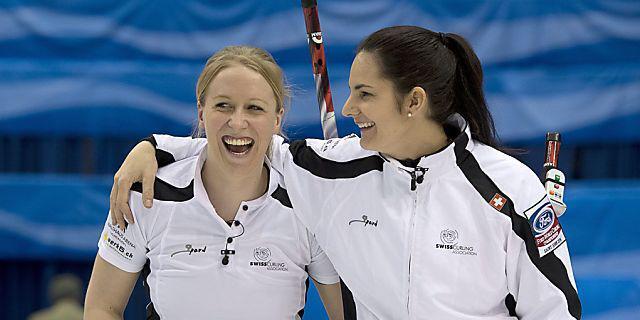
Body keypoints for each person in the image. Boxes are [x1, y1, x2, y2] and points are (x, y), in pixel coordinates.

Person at [110, 27, 582, 319]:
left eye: (364, 94)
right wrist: (153, 146)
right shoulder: (331, 171)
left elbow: (554, 311)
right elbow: (240, 139)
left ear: (414, 101)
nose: (351, 107)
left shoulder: (510, 189)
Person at [85, 46, 344, 320]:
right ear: (201, 112)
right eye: (223, 105)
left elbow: (348, 314)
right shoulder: (147, 193)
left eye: (254, 108)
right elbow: (102, 308)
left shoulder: (307, 206)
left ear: (277, 119)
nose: (238, 121)